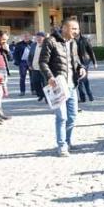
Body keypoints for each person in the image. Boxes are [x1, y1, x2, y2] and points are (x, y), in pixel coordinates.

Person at [39, 18, 86, 157]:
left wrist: (81, 68)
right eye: (73, 29)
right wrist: (49, 77)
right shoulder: (51, 41)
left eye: (77, 29)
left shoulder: (73, 42)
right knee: (62, 117)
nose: (76, 32)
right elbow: (42, 62)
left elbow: (76, 61)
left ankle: (68, 141)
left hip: (71, 85)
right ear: (64, 28)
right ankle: (62, 146)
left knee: (72, 116)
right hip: (57, 86)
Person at [74, 31, 97, 103]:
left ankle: (88, 97)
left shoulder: (85, 40)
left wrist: (94, 62)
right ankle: (86, 97)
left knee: (82, 80)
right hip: (76, 63)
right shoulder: (71, 41)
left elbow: (91, 51)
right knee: (81, 80)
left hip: (85, 62)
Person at [28, 33, 47, 101]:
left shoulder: (47, 45)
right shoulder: (33, 45)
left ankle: (47, 97)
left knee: (45, 84)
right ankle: (41, 94)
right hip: (34, 68)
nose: (38, 39)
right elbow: (30, 56)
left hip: (44, 68)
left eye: (40, 37)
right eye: (37, 37)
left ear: (44, 38)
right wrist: (29, 65)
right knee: (35, 82)